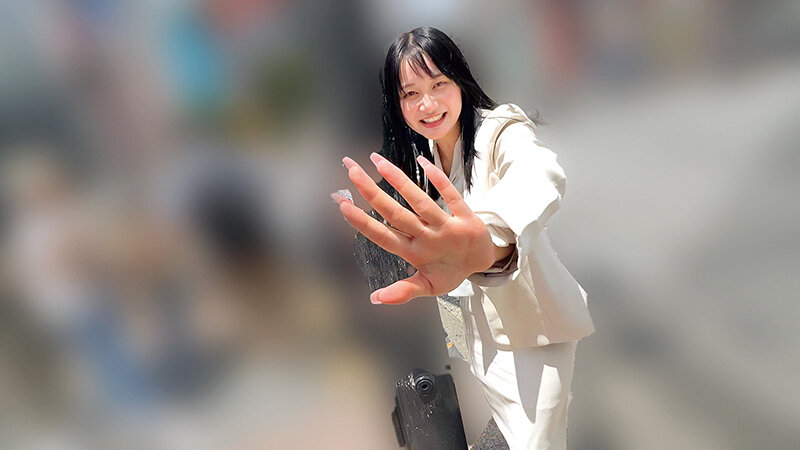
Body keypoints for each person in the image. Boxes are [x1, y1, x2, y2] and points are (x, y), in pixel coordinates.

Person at [332, 26, 595, 449]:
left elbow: (538, 173)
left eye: (438, 84)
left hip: (536, 333)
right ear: (397, 104)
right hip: (484, 346)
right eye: (411, 93)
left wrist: (488, 239)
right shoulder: (423, 157)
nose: (428, 104)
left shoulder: (499, 128)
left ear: (460, 79)